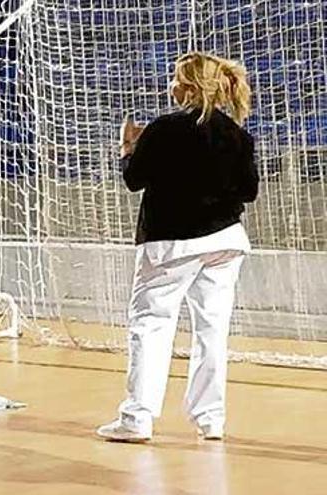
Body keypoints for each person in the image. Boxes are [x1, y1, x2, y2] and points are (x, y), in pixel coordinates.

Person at [96, 52, 259, 442]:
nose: (170, 84)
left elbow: (133, 180)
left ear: (187, 87)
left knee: (151, 325)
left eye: (174, 77)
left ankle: (137, 419)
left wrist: (127, 149)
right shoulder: (238, 134)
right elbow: (249, 192)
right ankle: (211, 419)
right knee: (212, 330)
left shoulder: (163, 129)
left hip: (171, 244)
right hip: (226, 242)